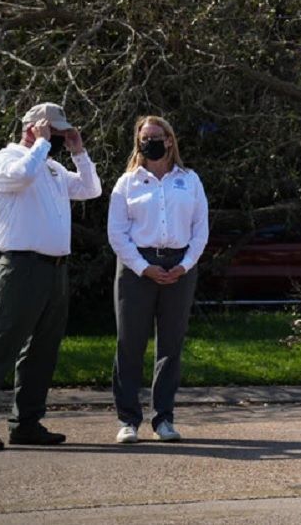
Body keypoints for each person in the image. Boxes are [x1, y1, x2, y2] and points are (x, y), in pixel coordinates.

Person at [0, 103, 102, 450]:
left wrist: (79, 152)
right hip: (22, 266)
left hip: (55, 269)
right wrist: (39, 144)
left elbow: (91, 189)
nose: (57, 138)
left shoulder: (51, 167)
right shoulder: (5, 160)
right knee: (0, 344)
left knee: (42, 349)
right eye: (54, 132)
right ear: (33, 128)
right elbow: (22, 176)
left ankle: (26, 422)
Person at [106, 116, 208, 443]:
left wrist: (186, 264)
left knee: (171, 345)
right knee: (130, 344)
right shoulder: (127, 184)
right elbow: (117, 233)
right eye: (144, 137)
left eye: (157, 136)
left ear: (169, 140)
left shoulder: (190, 180)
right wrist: (142, 266)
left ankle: (163, 418)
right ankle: (128, 421)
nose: (151, 141)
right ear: (138, 142)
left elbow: (200, 229)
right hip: (137, 267)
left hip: (179, 265)